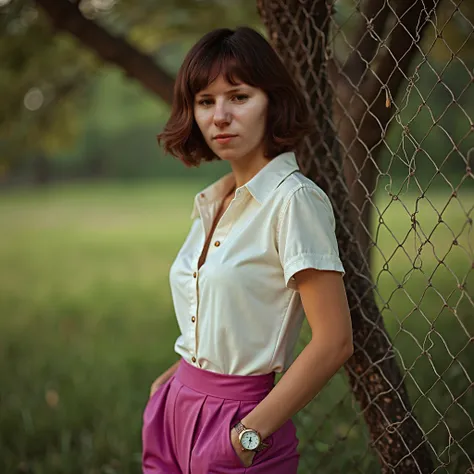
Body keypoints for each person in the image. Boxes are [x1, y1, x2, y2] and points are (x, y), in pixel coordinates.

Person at [142, 26, 353, 474]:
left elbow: (334, 342)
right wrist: (172, 386)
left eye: (238, 96)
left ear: (272, 102)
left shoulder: (293, 201)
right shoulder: (213, 200)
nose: (220, 116)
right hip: (175, 411)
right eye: (205, 101)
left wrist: (247, 436)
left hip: (241, 423)